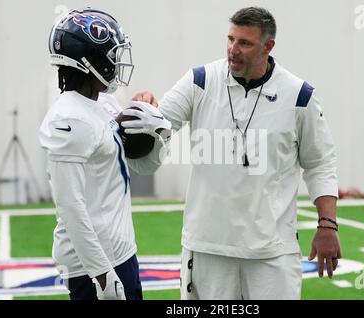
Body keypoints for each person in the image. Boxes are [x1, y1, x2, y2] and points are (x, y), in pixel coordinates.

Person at [133, 7, 341, 300]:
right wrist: (146, 110)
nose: (233, 49)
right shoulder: (200, 81)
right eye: (230, 39)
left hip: (272, 254)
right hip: (207, 249)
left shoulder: (299, 95)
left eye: (245, 43)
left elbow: (320, 163)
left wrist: (327, 225)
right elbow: (160, 126)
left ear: (268, 46)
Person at [39, 8, 171, 300]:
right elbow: (71, 208)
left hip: (121, 251)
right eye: (111, 55)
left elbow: (142, 168)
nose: (116, 61)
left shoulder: (104, 104)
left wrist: (159, 133)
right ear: (89, 61)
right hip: (94, 265)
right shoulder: (68, 119)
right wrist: (101, 275)